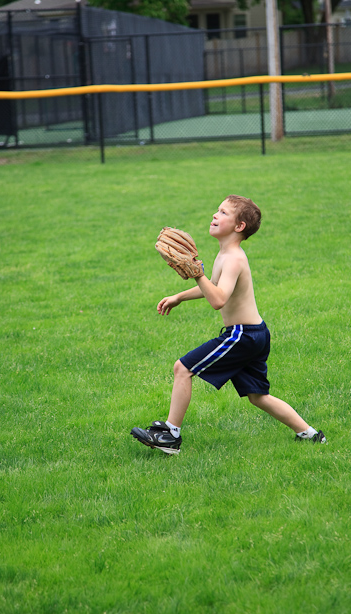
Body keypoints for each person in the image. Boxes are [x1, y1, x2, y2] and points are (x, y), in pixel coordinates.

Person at [131, 195, 326, 455]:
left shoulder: (233, 258)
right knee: (258, 396)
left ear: (239, 227)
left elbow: (218, 300)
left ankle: (170, 434)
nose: (215, 215)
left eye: (223, 213)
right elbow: (213, 286)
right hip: (255, 333)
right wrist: (180, 296)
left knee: (183, 368)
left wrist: (197, 273)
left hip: (241, 335)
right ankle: (310, 434)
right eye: (217, 210)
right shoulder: (226, 253)